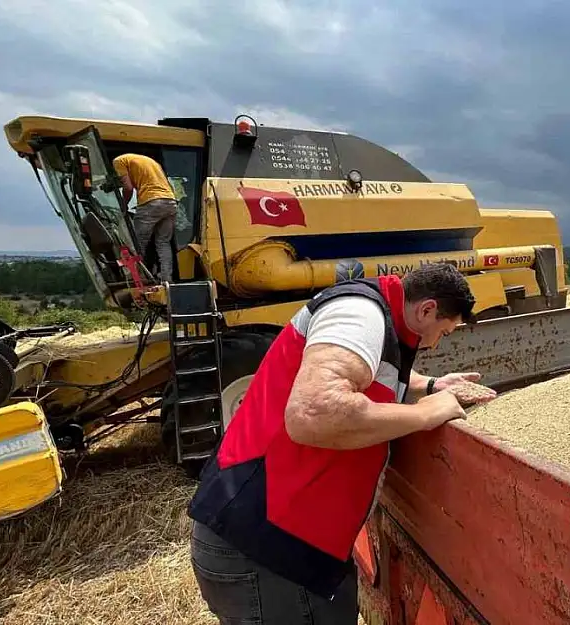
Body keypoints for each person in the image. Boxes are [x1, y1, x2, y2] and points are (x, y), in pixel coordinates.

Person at [187, 263, 496, 624]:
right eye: (442, 331)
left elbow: (368, 364)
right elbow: (315, 413)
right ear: (426, 309)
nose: (436, 342)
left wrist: (430, 385)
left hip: (283, 544)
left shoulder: (375, 316)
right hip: (267, 550)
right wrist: (426, 413)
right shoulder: (359, 315)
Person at [111, 153, 179, 282]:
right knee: (163, 242)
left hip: (150, 202)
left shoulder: (118, 161)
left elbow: (128, 188)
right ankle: (166, 279)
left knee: (138, 243)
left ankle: (137, 278)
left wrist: (123, 206)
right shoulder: (150, 162)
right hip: (170, 202)